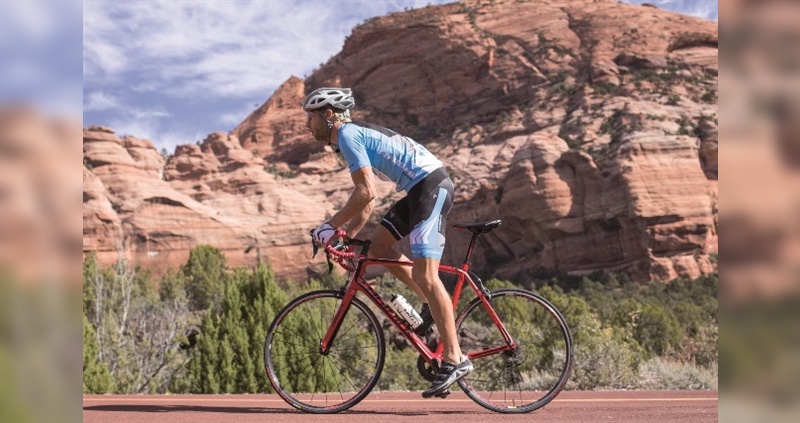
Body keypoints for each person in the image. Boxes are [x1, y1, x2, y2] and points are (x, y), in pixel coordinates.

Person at [305, 87, 472, 398]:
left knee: (427, 274)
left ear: (328, 115)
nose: (307, 125)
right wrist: (346, 238)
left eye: (310, 117)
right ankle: (429, 308)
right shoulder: (351, 138)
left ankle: (455, 358)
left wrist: (329, 227)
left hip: (431, 188)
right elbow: (367, 203)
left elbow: (366, 193)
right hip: (418, 191)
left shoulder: (347, 135)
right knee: (379, 248)